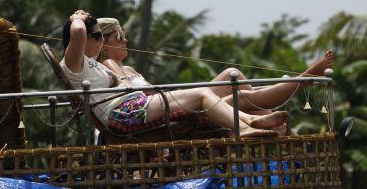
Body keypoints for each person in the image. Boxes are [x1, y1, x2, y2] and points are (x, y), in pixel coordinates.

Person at [60, 10, 288, 138]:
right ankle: (246, 127)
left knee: (204, 94)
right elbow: (78, 32)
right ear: (83, 40)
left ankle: (250, 120)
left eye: (102, 37)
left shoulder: (92, 64)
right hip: (125, 113)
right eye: (98, 37)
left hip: (134, 106)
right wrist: (77, 18)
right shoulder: (74, 63)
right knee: (200, 94)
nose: (100, 42)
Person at [97, 17, 333, 120]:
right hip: (177, 111)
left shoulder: (126, 67)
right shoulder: (109, 65)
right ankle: (301, 79)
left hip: (177, 102)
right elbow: (131, 96)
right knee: (243, 96)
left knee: (233, 75)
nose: (125, 41)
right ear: (104, 43)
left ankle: (276, 122)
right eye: (119, 37)